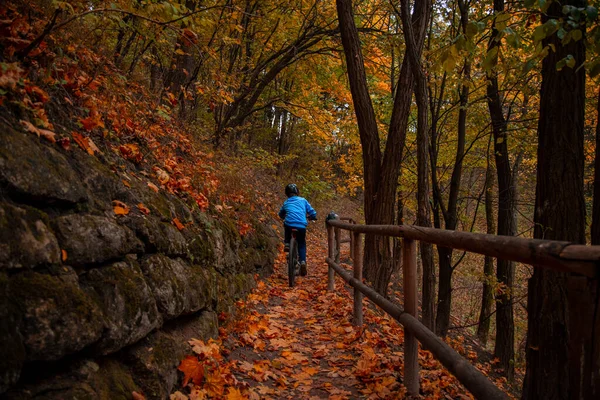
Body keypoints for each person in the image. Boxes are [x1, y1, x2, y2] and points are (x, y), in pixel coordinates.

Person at [278, 183, 317, 276]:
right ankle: (303, 261)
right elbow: (312, 211)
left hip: (289, 224)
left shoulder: (286, 202)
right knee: (302, 243)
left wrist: (283, 216)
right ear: (297, 192)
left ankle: (287, 243)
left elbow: (281, 214)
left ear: (287, 193)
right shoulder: (303, 200)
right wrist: (313, 217)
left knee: (286, 225)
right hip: (301, 225)